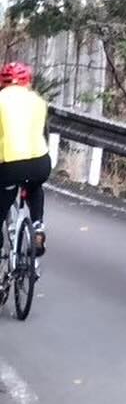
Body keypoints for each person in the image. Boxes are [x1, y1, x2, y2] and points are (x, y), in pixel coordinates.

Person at [0, 62, 50, 257]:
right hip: (40, 163)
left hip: (10, 165)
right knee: (34, 187)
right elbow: (44, 133)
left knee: (3, 199)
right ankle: (37, 227)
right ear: (27, 82)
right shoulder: (38, 101)